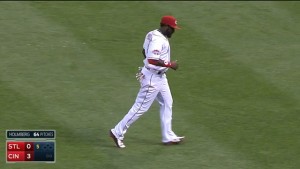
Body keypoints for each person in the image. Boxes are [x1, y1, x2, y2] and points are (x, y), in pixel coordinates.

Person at [109, 15, 184, 148]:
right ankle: (117, 132)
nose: (173, 31)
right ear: (166, 26)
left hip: (159, 77)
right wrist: (169, 64)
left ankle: (168, 136)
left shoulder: (151, 34)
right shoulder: (158, 39)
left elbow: (144, 51)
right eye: (172, 28)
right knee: (140, 108)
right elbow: (151, 59)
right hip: (152, 79)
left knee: (167, 102)